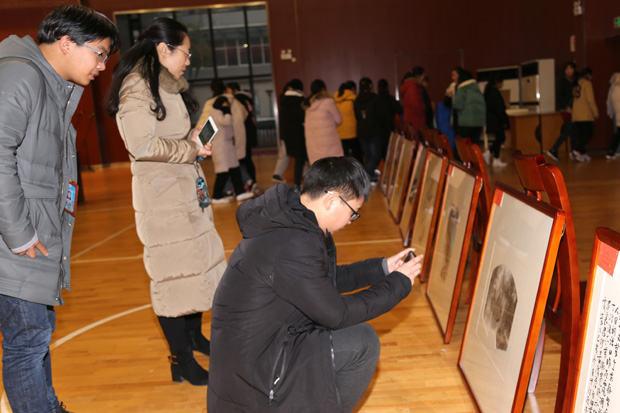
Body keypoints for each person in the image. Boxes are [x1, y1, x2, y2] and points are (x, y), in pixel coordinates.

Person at [207, 156, 423, 412]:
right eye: (353, 213)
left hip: (262, 349)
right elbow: (336, 314)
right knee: (362, 342)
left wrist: (382, 269)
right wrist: (398, 285)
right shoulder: (292, 243)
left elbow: (320, 281)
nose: (350, 221)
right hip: (255, 377)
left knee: (355, 338)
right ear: (332, 201)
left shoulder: (291, 218)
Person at [0, 5, 119, 413]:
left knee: (36, 335)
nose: (102, 66)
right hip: (16, 242)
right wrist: (20, 234)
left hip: (31, 238)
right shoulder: (21, 75)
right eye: (99, 54)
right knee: (27, 342)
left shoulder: (48, 82)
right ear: (67, 43)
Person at [106, 17, 227, 386]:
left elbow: (169, 136)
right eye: (185, 53)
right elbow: (141, 145)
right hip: (162, 199)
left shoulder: (166, 85)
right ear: (163, 49)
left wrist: (193, 139)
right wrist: (189, 148)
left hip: (184, 189)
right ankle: (180, 360)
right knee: (173, 277)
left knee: (196, 270)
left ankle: (194, 338)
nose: (188, 60)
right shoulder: (137, 86)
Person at [197, 79, 254, 202]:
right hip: (226, 143)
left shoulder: (211, 104)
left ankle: (234, 191)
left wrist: (200, 140)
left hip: (225, 143)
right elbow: (240, 116)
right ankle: (220, 194)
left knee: (231, 169)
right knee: (225, 170)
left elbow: (203, 123)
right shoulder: (230, 103)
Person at [304, 79, 344, 165]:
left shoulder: (309, 106)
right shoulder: (328, 102)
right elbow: (339, 120)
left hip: (314, 143)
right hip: (329, 143)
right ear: (323, 89)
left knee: (319, 167)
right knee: (333, 166)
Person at [227, 82, 258, 191]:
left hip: (242, 133)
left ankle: (247, 183)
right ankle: (252, 182)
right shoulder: (247, 98)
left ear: (234, 89)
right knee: (248, 160)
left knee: (240, 161)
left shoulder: (236, 100)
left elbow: (238, 119)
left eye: (228, 89)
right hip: (249, 133)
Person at [545, 62, 578, 161]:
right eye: (567, 68)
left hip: (574, 109)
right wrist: (566, 106)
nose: (568, 70)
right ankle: (554, 149)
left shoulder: (576, 81)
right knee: (568, 130)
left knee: (573, 130)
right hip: (565, 109)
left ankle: (573, 151)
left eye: (570, 68)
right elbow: (559, 96)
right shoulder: (562, 81)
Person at [279, 79, 308, 191]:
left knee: (298, 160)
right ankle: (298, 183)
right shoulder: (300, 100)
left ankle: (297, 184)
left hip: (288, 134)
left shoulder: (284, 100)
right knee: (301, 160)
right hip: (299, 133)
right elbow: (302, 117)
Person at [355, 77, 383, 184]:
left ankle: (371, 175)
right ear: (370, 85)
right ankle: (370, 173)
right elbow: (380, 114)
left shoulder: (357, 99)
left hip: (362, 131)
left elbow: (357, 116)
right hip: (374, 130)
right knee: (375, 155)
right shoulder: (375, 97)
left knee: (368, 155)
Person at [571, 67, 599, 162]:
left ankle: (582, 152)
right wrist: (595, 112)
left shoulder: (576, 83)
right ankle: (577, 150)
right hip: (585, 113)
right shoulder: (587, 83)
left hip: (576, 113)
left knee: (581, 134)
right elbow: (590, 100)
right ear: (589, 75)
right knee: (589, 133)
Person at [453, 69, 486, 145]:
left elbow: (457, 105)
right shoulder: (477, 88)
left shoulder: (462, 89)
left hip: (466, 122)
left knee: (463, 145)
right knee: (474, 145)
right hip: (479, 122)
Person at [483, 74, 509, 167]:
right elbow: (499, 108)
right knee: (500, 138)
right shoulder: (494, 92)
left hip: (493, 119)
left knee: (499, 138)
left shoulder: (489, 91)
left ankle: (492, 155)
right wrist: (504, 120)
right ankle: (494, 157)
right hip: (496, 120)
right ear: (498, 82)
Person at [334, 80, 363, 164]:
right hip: (352, 132)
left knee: (344, 158)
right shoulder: (354, 98)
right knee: (357, 156)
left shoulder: (336, 99)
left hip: (339, 133)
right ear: (353, 88)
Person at [375, 78, 403, 160]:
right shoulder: (391, 99)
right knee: (390, 153)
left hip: (378, 131)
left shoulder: (374, 100)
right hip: (390, 129)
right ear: (387, 87)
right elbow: (400, 110)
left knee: (380, 154)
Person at [400, 66, 426, 130]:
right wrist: (424, 110)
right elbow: (416, 105)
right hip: (415, 121)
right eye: (423, 75)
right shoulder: (413, 87)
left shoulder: (409, 85)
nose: (424, 78)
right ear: (420, 76)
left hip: (411, 120)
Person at [606, 72, 620, 160]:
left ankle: (613, 151)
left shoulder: (614, 88)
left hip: (616, 115)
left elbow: (609, 102)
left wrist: (610, 113)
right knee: (618, 134)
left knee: (617, 134)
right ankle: (613, 151)